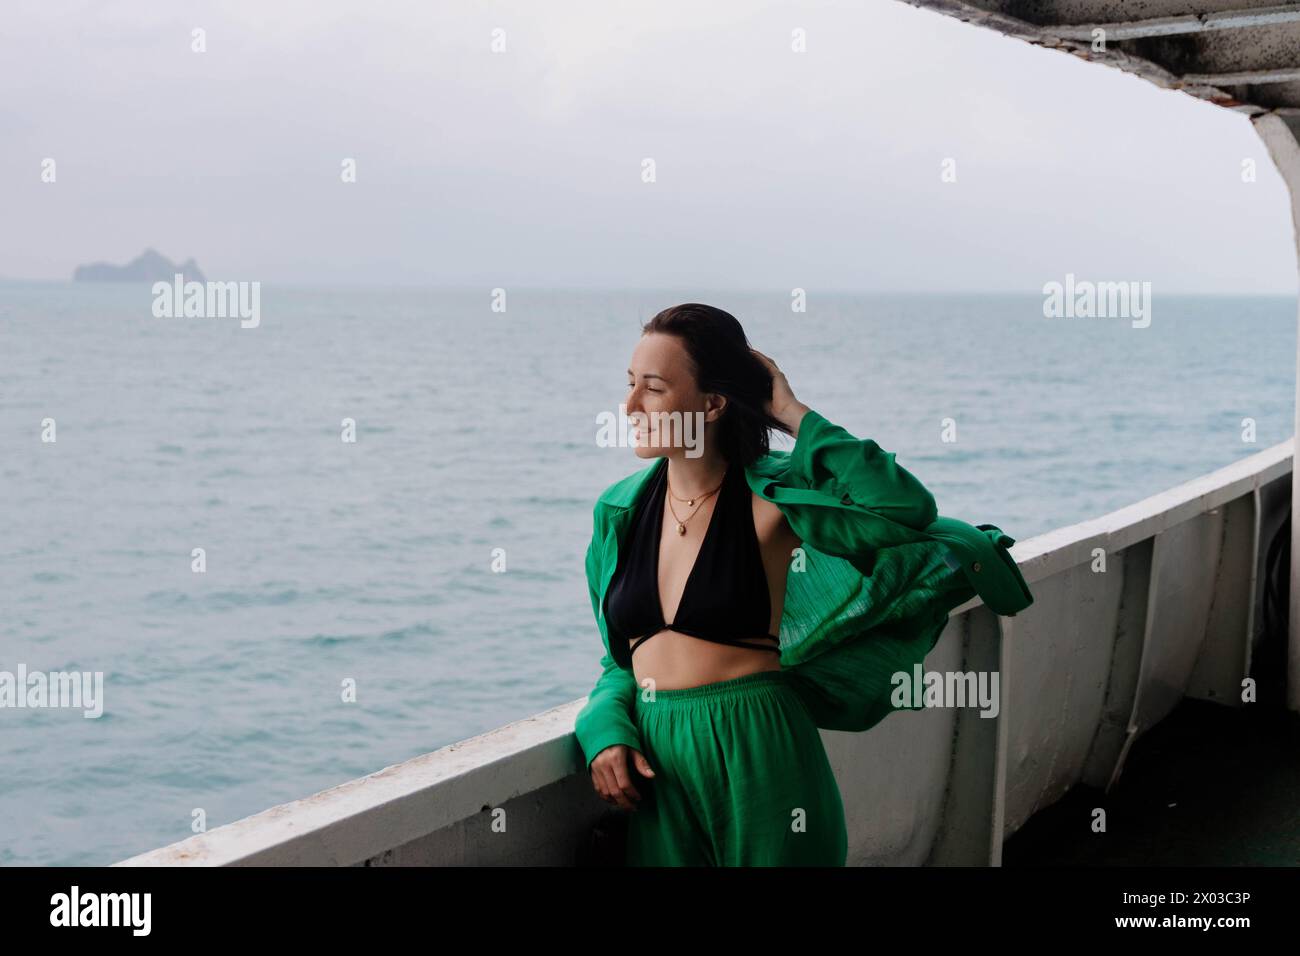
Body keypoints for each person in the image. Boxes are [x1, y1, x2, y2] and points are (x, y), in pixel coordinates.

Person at [574, 303, 1034, 866]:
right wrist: (603, 728)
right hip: (658, 768)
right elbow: (619, 661)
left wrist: (792, 413)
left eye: (653, 388)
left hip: (759, 747)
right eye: (629, 385)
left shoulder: (773, 499)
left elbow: (903, 506)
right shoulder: (619, 512)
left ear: (713, 403)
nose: (629, 407)